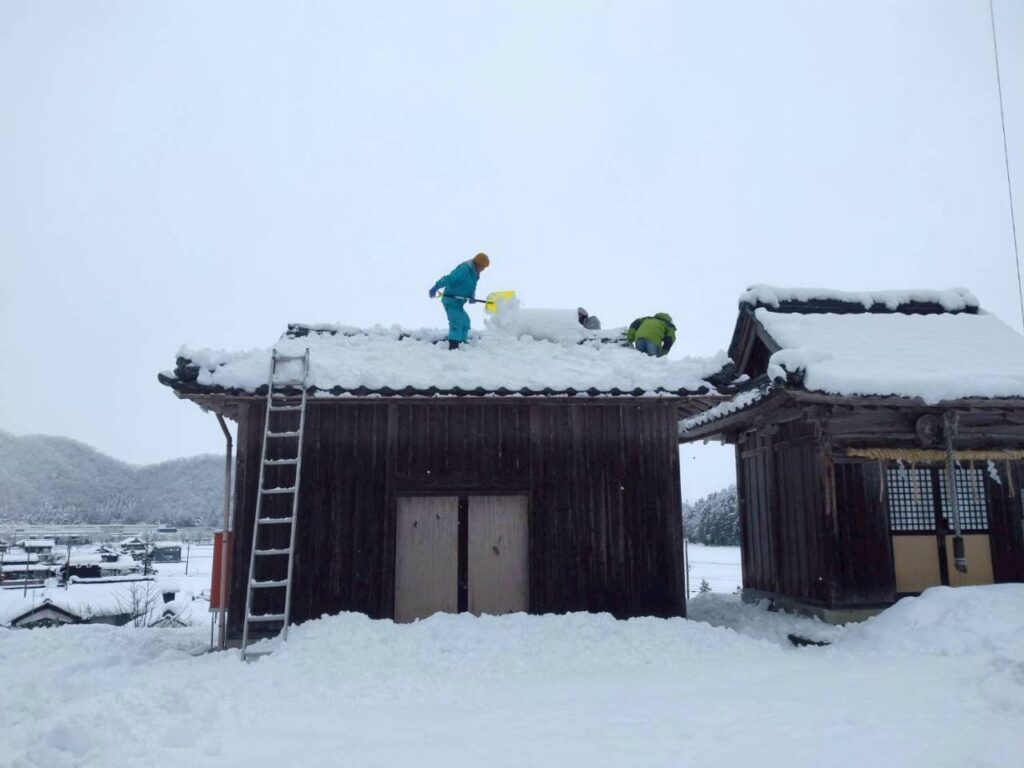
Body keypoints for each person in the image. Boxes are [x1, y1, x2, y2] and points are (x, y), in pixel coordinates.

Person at [429, 253, 490, 349]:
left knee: (465, 322)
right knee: (456, 322)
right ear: (478, 263)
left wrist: (472, 296)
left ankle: (461, 343)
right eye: (482, 267)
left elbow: (471, 287)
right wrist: (436, 286)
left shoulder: (475, 274)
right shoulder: (465, 269)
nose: (483, 269)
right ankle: (454, 346)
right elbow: (450, 278)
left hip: (459, 303)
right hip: (450, 300)